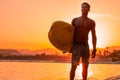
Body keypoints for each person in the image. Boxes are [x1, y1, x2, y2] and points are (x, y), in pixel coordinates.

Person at [70, 2, 97, 80]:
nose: (83, 9)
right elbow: (69, 34)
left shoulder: (91, 22)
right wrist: (66, 46)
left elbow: (93, 36)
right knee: (74, 66)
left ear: (89, 9)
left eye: (85, 7)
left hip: (85, 46)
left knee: (85, 66)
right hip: (76, 46)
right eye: (82, 7)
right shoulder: (75, 20)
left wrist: (94, 48)